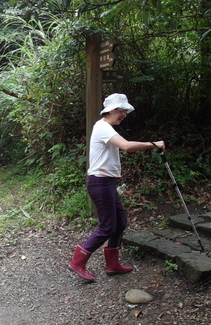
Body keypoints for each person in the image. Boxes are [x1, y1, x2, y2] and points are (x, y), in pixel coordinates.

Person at [68, 93, 165, 282]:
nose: (124, 115)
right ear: (111, 110)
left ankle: (112, 265)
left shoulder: (107, 128)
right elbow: (127, 146)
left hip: (107, 183)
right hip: (100, 182)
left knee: (120, 223)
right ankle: (77, 262)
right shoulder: (102, 127)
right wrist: (154, 144)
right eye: (122, 111)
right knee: (107, 226)